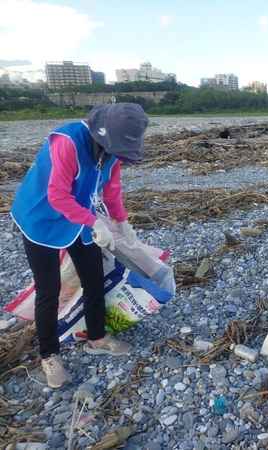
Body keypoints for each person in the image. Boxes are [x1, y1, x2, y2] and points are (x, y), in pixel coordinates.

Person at [10, 102, 149, 388]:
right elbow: (57, 196)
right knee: (48, 290)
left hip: (80, 217)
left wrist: (122, 221)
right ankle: (49, 355)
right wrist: (96, 223)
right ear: (104, 133)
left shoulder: (113, 150)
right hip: (41, 216)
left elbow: (111, 189)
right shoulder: (68, 142)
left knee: (93, 279)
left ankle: (97, 338)